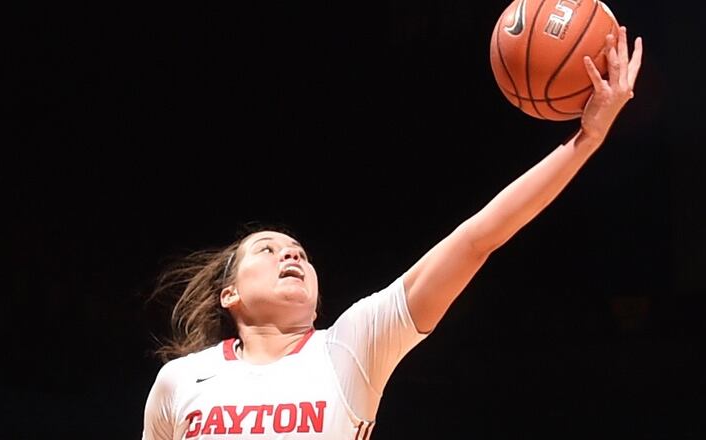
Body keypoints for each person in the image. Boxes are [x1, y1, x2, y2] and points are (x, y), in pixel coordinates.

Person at [141, 27, 643, 439]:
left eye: (299, 252)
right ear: (229, 293)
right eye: (267, 250)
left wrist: (587, 138)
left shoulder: (352, 345)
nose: (291, 256)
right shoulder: (180, 381)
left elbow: (476, 238)